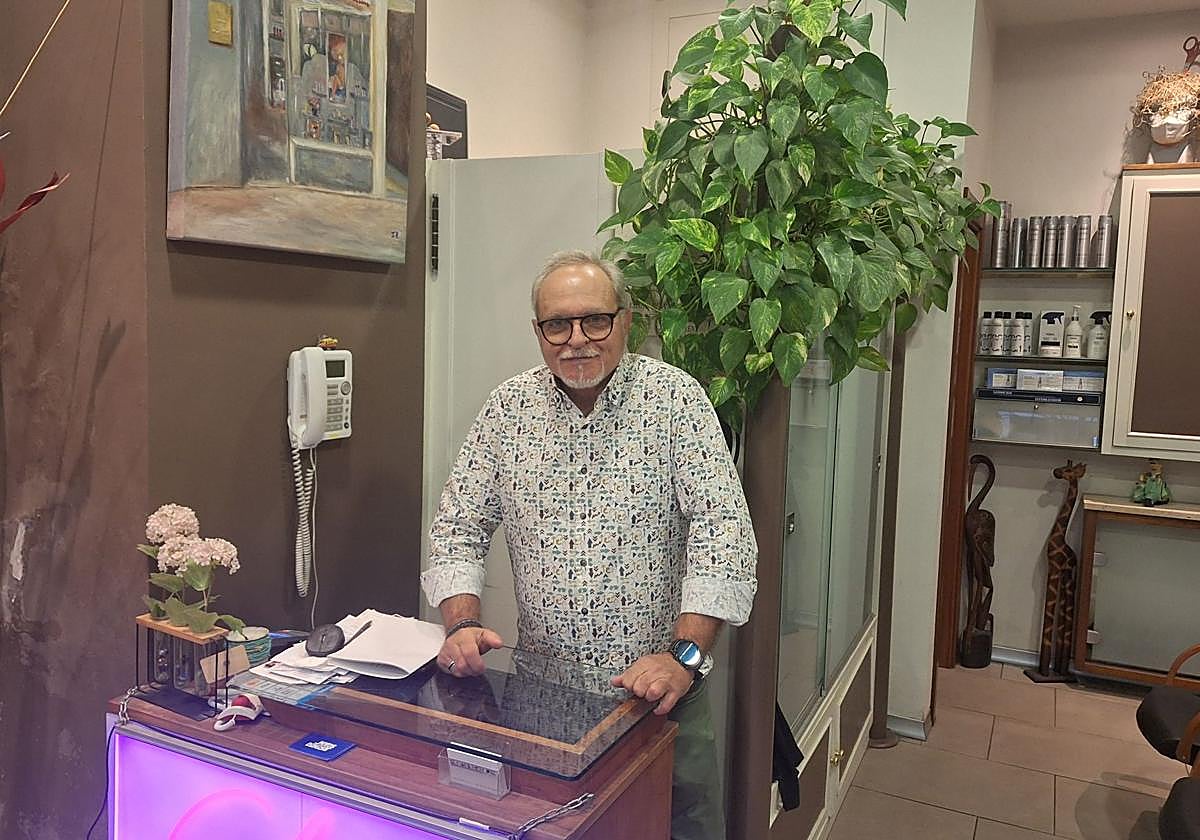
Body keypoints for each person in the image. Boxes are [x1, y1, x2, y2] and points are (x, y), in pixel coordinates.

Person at [422, 250, 758, 840]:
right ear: (539, 331)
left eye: (595, 320)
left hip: (658, 696)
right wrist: (461, 623)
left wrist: (683, 657)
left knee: (681, 828)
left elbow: (723, 532)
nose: (577, 339)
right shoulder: (507, 411)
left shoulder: (675, 400)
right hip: (542, 696)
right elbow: (457, 527)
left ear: (625, 320)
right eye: (558, 324)